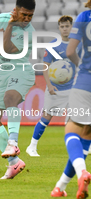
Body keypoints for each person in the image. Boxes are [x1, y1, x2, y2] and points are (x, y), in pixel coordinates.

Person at [0, 0, 36, 179]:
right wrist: (8, 25)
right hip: (4, 71)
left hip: (21, 69)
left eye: (30, 15)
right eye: (24, 14)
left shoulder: (29, 32)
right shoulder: (2, 19)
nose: (27, 19)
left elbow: (5, 48)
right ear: (16, 9)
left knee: (9, 99)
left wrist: (12, 26)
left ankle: (13, 142)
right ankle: (14, 163)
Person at [51, 0, 91, 198]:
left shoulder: (85, 17)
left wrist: (82, 68)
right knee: (86, 135)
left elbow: (70, 50)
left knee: (72, 130)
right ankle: (60, 188)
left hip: (86, 81)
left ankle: (82, 172)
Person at [26, 15, 82, 157]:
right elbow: (45, 67)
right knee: (46, 117)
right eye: (62, 27)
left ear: (71, 27)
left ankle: (78, 146)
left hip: (72, 89)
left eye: (67, 26)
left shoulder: (77, 44)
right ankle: (32, 146)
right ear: (59, 28)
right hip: (56, 89)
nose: (65, 29)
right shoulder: (53, 46)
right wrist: (49, 85)